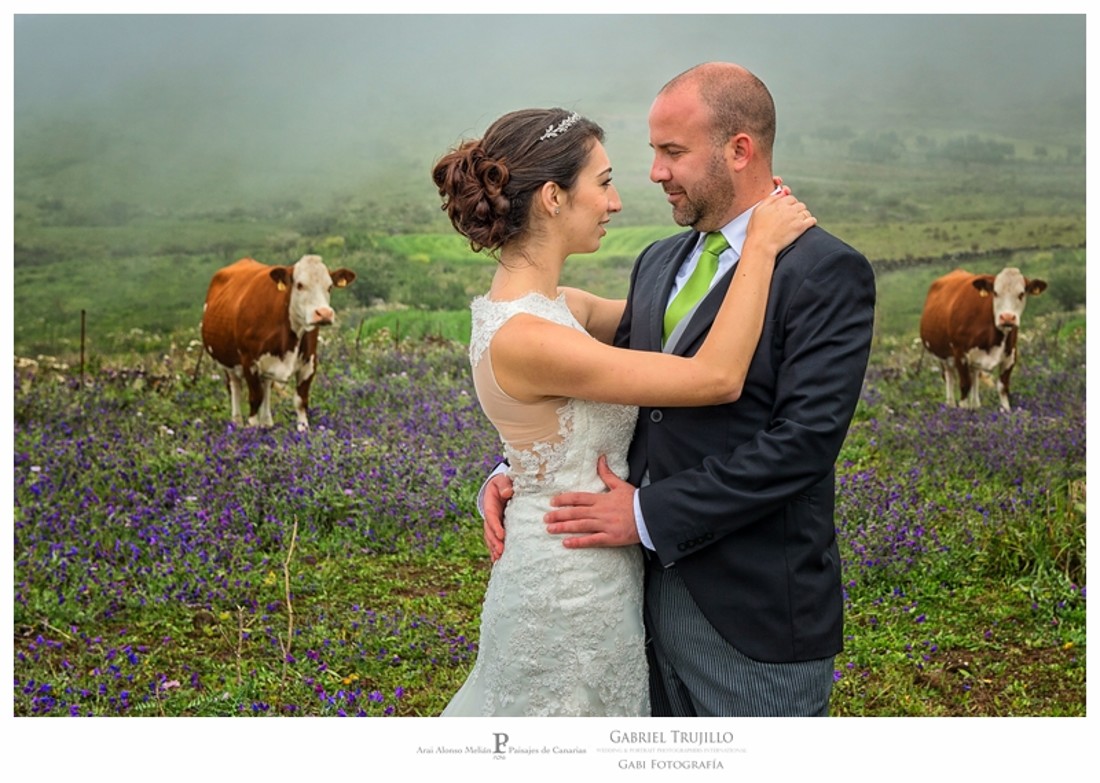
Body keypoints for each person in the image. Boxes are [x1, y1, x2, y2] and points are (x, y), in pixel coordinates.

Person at [483, 63, 876, 717]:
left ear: (739, 150)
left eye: (672, 152)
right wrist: (528, 467)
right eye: (653, 153)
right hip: (638, 610)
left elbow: (803, 444)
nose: (655, 173)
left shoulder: (825, 270)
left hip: (754, 620)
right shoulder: (660, 260)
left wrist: (645, 515)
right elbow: (621, 391)